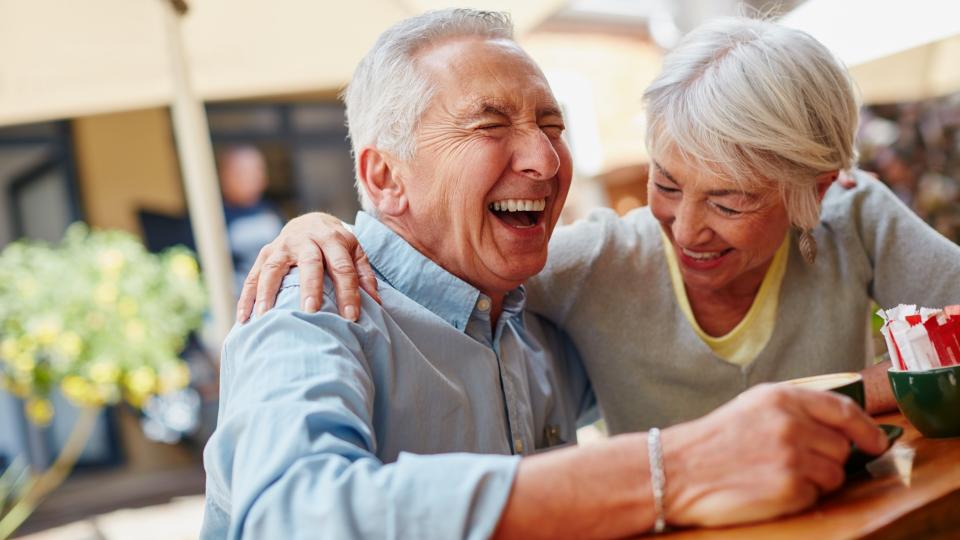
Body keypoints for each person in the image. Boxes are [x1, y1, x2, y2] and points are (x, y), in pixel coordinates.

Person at [203, 10, 887, 539]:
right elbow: (289, 516)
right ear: (384, 176)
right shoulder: (313, 303)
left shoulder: (539, 319)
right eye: (490, 125)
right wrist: (665, 473)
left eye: (551, 123)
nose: (544, 158)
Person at [240, 16, 960, 433]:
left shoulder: (856, 218)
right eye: (668, 185)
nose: (687, 230)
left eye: (732, 201)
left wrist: (851, 395)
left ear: (820, 187)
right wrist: (321, 227)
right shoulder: (593, 265)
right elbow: (446, 260)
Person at [217, 145, 284, 294]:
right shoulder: (214, 217)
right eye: (242, 172)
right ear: (225, 176)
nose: (254, 177)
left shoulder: (271, 210)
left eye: (258, 170)